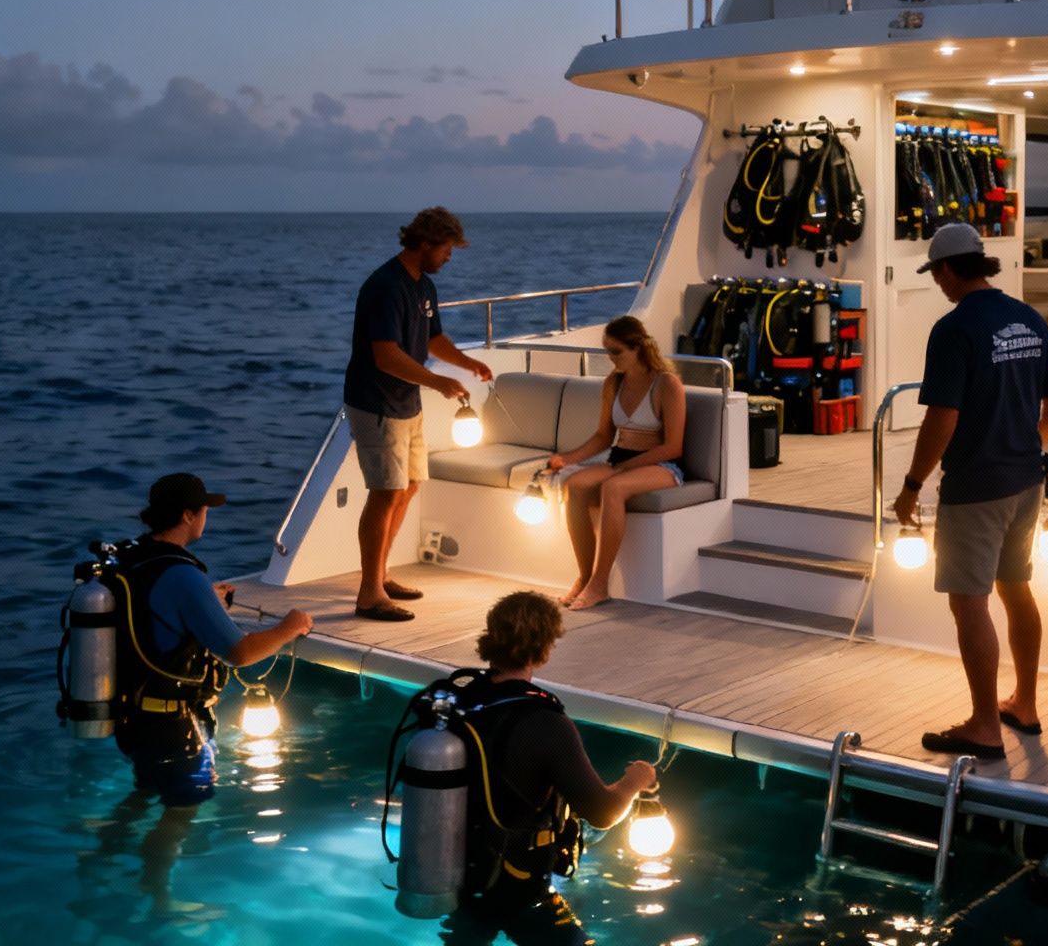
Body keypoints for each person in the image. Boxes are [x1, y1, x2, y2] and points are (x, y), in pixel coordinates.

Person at [891, 224, 1048, 762]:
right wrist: (1021, 445)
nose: (938, 284)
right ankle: (1025, 706)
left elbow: (942, 417)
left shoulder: (953, 329)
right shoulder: (1029, 318)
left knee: (970, 605)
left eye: (936, 274)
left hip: (976, 488)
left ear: (946, 269)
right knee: (1017, 589)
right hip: (1026, 481)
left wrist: (912, 485)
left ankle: (985, 726)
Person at [110, 473, 314, 917]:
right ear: (188, 515)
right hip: (175, 724)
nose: (207, 517)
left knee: (145, 790)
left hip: (132, 715)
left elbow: (157, 619)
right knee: (182, 809)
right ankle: (159, 896)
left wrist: (208, 600)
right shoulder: (184, 576)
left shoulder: (134, 559)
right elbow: (240, 653)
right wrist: (289, 627)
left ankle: (104, 854)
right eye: (204, 509)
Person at [437, 591, 658, 945]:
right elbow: (602, 812)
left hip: (458, 876)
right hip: (518, 887)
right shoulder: (546, 723)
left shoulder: (461, 703)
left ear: (491, 638)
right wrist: (635, 781)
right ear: (545, 647)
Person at [344, 206, 494, 621]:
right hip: (376, 402)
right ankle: (369, 593)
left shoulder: (423, 286)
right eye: (447, 248)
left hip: (406, 403)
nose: (449, 256)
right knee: (386, 492)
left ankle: (381, 574)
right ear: (425, 243)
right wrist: (439, 383)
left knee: (408, 487)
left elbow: (433, 339)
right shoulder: (386, 287)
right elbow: (386, 356)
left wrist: (467, 364)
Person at [544, 315, 687, 610]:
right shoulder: (613, 383)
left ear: (638, 348)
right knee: (574, 484)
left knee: (613, 488)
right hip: (619, 459)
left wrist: (624, 469)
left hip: (661, 466)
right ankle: (584, 577)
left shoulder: (667, 384)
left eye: (616, 351)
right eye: (607, 350)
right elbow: (603, 436)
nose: (610, 358)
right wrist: (567, 459)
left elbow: (673, 447)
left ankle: (600, 584)